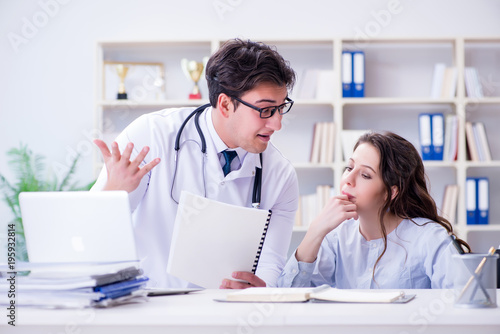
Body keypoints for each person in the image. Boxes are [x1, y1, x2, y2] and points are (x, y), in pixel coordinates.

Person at [92, 38, 299, 289]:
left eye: (281, 108)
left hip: (228, 314)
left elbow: (271, 263)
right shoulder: (151, 135)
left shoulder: (280, 175)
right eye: (265, 110)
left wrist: (259, 290)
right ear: (225, 104)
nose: (277, 124)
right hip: (149, 308)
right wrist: (114, 194)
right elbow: (94, 238)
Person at [278, 131, 470, 289]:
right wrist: (315, 232)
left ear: (391, 192)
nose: (348, 179)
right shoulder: (335, 237)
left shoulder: (429, 238)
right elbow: (288, 298)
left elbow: (464, 300)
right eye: (349, 167)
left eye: (365, 175)